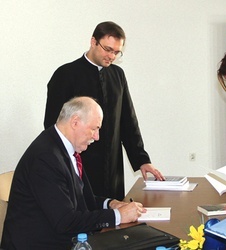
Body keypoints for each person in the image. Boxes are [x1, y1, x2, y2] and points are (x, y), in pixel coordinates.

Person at [1, 97, 146, 249]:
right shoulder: (45, 158)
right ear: (75, 122)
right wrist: (118, 216)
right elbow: (65, 221)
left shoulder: (64, 149)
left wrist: (111, 204)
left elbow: (81, 199)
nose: (97, 137)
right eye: (94, 128)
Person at [44, 21, 165, 200]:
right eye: (108, 49)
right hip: (80, 166)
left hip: (112, 167)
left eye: (117, 52)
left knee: (115, 215)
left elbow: (128, 121)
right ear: (93, 42)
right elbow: (53, 126)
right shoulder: (65, 74)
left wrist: (142, 160)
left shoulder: (118, 75)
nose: (112, 56)